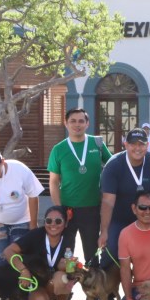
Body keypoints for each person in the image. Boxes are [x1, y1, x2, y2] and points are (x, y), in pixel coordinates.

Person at [47, 108, 112, 267]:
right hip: (67, 209)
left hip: (92, 208)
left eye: (81, 121)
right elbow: (53, 181)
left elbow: (113, 166)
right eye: (73, 121)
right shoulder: (58, 149)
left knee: (91, 252)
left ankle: (93, 281)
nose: (77, 125)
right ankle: (66, 281)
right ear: (66, 123)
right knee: (66, 251)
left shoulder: (97, 144)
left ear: (87, 123)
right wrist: (59, 208)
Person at [99, 127, 150, 264]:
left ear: (147, 145)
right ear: (125, 144)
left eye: (141, 144)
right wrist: (104, 231)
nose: (137, 148)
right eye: (133, 144)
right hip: (119, 219)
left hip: (148, 219)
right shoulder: (113, 165)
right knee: (111, 252)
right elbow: (108, 202)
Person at [2, 205, 79, 300]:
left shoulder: (68, 236)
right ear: (44, 222)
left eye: (58, 221)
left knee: (63, 278)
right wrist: (23, 270)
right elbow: (8, 251)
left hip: (54, 279)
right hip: (36, 281)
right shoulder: (36, 234)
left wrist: (70, 267)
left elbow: (66, 263)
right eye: (48, 220)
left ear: (65, 224)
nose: (53, 224)